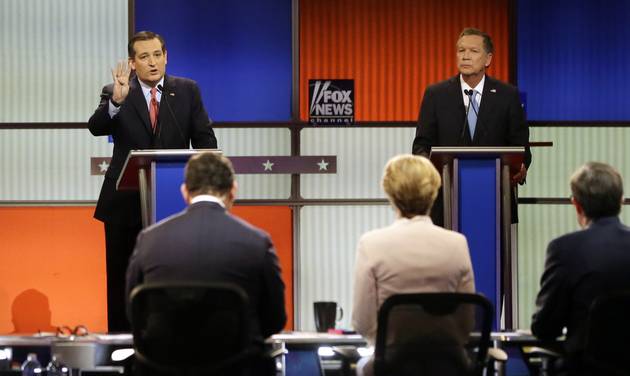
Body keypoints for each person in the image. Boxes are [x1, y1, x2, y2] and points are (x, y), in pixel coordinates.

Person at [88, 31, 218, 332]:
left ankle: (175, 340)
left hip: (173, 205)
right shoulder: (116, 91)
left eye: (157, 54)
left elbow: (205, 143)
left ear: (166, 56)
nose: (153, 62)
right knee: (123, 280)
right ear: (133, 63)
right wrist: (115, 104)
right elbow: (96, 127)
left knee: (174, 277)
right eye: (144, 57)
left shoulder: (187, 91)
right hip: (123, 205)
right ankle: (123, 347)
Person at [126, 152, 286, 374]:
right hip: (237, 369)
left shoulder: (149, 240)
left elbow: (133, 313)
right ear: (233, 191)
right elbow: (274, 320)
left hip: (163, 369)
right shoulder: (257, 243)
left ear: (185, 192)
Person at [351, 154, 475, 376]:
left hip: (392, 366)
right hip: (449, 366)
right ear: (434, 192)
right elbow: (466, 323)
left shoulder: (371, 244)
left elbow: (362, 322)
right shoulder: (457, 244)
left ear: (390, 193)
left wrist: (388, 343)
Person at [412, 27, 531, 226]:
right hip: (446, 200)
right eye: (461, 51)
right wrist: (428, 171)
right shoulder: (436, 94)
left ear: (488, 59)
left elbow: (522, 148)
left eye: (473, 51)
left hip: (495, 200)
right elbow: (421, 146)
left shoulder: (507, 95)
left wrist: (521, 167)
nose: (465, 56)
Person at [531, 162, 630, 374]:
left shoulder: (565, 250)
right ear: (621, 201)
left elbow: (544, 328)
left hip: (584, 368)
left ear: (577, 205)